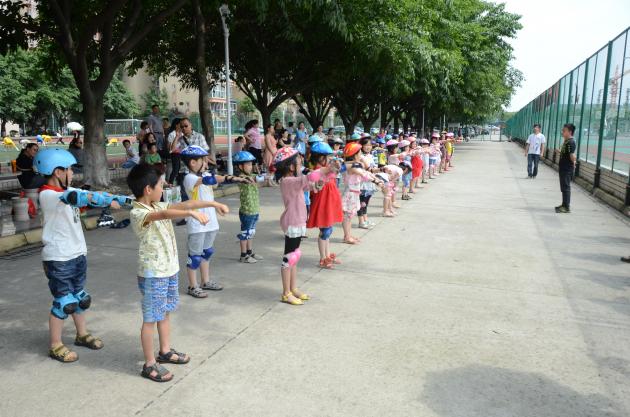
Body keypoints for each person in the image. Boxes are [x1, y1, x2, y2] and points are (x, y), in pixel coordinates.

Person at [127, 163, 228, 382]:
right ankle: (149, 363)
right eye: (161, 185)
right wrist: (189, 213)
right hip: (153, 274)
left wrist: (211, 203)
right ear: (148, 189)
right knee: (150, 319)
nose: (163, 189)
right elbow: (164, 214)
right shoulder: (139, 212)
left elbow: (185, 203)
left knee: (164, 313)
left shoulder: (155, 205)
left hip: (169, 270)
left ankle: (164, 351)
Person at [35, 148, 123, 363]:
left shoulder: (68, 192)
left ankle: (81, 334)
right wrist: (98, 198)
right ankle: (55, 345)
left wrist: (114, 199)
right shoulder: (48, 194)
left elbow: (82, 199)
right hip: (58, 258)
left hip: (77, 254)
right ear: (57, 172)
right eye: (69, 170)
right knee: (64, 303)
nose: (72, 174)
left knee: (80, 298)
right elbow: (75, 196)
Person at [181, 145, 251, 297]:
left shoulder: (204, 176)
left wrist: (216, 208)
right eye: (203, 160)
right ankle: (193, 286)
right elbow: (211, 180)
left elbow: (211, 186)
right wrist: (234, 178)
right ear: (193, 163)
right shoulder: (190, 178)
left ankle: (205, 281)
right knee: (194, 257)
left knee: (207, 252)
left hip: (211, 222)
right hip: (197, 224)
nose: (206, 162)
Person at [274, 147, 312, 306]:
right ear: (290, 166)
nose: (301, 163)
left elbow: (309, 185)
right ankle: (286, 293)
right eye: (298, 161)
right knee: (288, 259)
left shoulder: (293, 181)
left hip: (298, 221)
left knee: (294, 257)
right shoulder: (288, 181)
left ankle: (293, 288)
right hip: (292, 222)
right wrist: (325, 169)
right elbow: (307, 179)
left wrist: (324, 177)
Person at [306, 141, 343, 269]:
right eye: (327, 157)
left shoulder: (326, 169)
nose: (329, 160)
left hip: (329, 202)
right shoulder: (317, 171)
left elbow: (335, 172)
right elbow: (317, 178)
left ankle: (327, 255)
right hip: (323, 203)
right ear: (321, 158)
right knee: (325, 230)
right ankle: (323, 258)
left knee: (328, 229)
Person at [341, 142, 380, 244]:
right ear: (354, 154)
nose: (361, 155)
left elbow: (366, 172)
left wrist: (377, 177)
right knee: (347, 216)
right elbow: (363, 173)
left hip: (354, 193)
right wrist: (377, 181)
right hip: (350, 193)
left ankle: (348, 235)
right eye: (359, 153)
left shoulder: (354, 165)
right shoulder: (352, 167)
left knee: (349, 216)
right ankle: (347, 237)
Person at [233, 151, 264, 263]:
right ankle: (243, 255)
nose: (251, 167)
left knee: (251, 233)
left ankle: (249, 252)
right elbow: (252, 180)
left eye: (251, 164)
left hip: (254, 210)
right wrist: (260, 178)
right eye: (248, 164)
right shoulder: (242, 178)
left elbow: (259, 178)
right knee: (245, 234)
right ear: (240, 166)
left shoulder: (251, 176)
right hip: (247, 212)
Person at [555, 123, 576, 214]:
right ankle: (564, 204)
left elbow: (572, 155)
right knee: (563, 187)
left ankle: (566, 207)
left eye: (564, 131)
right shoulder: (566, 141)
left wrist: (574, 163)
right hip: (563, 167)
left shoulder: (571, 142)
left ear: (570, 132)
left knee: (566, 187)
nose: (562, 132)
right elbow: (566, 154)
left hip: (567, 168)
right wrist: (559, 151)